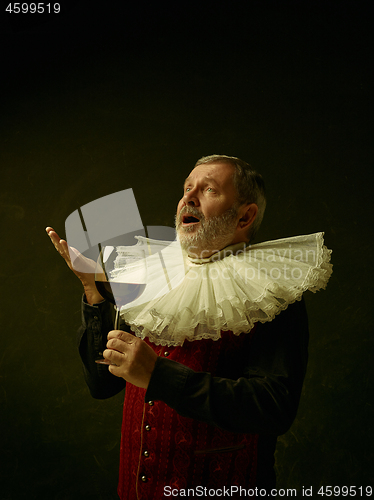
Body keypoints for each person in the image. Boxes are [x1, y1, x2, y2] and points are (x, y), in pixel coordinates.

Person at [47, 155, 329, 499]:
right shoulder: (146, 276)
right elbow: (102, 384)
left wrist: (158, 375)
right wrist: (94, 296)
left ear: (245, 215)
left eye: (208, 189)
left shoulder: (272, 292)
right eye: (186, 188)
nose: (188, 198)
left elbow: (274, 407)